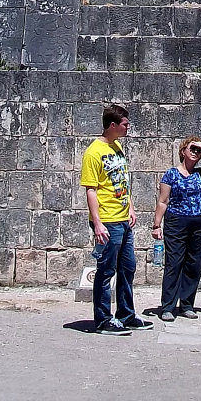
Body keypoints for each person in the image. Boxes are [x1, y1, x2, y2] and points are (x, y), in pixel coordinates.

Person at [80, 102, 152, 335]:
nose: (128, 128)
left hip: (123, 217)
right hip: (108, 220)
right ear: (112, 125)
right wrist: (97, 222)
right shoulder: (94, 152)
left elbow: (121, 181)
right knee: (106, 270)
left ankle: (126, 314)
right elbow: (91, 189)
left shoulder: (117, 147)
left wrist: (130, 206)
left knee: (127, 267)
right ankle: (103, 319)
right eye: (125, 125)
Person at [151, 136, 201, 322]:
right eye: (192, 148)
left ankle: (187, 304)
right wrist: (156, 224)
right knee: (174, 263)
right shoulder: (171, 174)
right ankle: (168, 306)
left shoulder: (200, 174)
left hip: (198, 222)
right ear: (183, 151)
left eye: (197, 151)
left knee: (194, 264)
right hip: (176, 221)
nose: (195, 152)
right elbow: (163, 200)